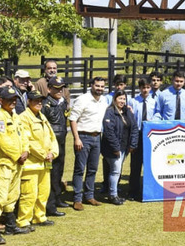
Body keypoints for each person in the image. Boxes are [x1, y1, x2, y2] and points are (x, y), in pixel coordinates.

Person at [17, 90, 59, 228]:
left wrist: (53, 153)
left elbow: (52, 137)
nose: (39, 103)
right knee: (29, 194)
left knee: (43, 192)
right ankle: (24, 221)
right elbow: (28, 141)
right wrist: (43, 154)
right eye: (36, 100)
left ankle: (39, 217)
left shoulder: (42, 116)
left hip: (45, 164)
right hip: (31, 164)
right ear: (29, 102)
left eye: (41, 100)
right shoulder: (23, 118)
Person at [0, 87, 31, 241]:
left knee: (12, 195)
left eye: (15, 98)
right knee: (0, 197)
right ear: (0, 100)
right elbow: (3, 142)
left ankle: (10, 226)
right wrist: (18, 155)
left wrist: (26, 151)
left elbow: (23, 135)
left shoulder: (15, 116)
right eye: (9, 99)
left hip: (17, 163)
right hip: (3, 163)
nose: (13, 101)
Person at [68, 77, 108, 211]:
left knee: (93, 169)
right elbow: (73, 119)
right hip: (83, 136)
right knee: (80, 169)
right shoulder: (83, 99)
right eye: (97, 86)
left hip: (97, 137)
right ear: (91, 85)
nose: (100, 88)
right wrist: (76, 138)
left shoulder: (104, 100)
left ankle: (89, 195)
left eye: (102, 86)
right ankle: (77, 199)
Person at [101, 90, 139, 205]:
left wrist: (132, 145)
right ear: (114, 99)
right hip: (113, 148)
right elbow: (109, 132)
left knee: (117, 170)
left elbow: (134, 128)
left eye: (124, 99)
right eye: (120, 98)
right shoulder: (110, 112)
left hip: (124, 147)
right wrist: (116, 148)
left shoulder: (127, 111)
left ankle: (113, 192)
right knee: (115, 171)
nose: (122, 101)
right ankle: (113, 195)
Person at [42, 77, 70, 216]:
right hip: (51, 144)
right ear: (49, 89)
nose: (59, 91)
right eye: (56, 88)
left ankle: (57, 198)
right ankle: (50, 206)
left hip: (62, 142)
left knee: (59, 171)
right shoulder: (45, 104)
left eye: (61, 88)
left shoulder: (63, 102)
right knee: (51, 174)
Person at [127, 78, 155, 201]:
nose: (145, 90)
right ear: (139, 88)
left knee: (149, 163)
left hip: (150, 134)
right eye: (143, 88)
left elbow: (158, 115)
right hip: (137, 134)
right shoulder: (134, 101)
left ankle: (148, 190)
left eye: (148, 87)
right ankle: (133, 191)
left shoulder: (154, 102)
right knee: (135, 164)